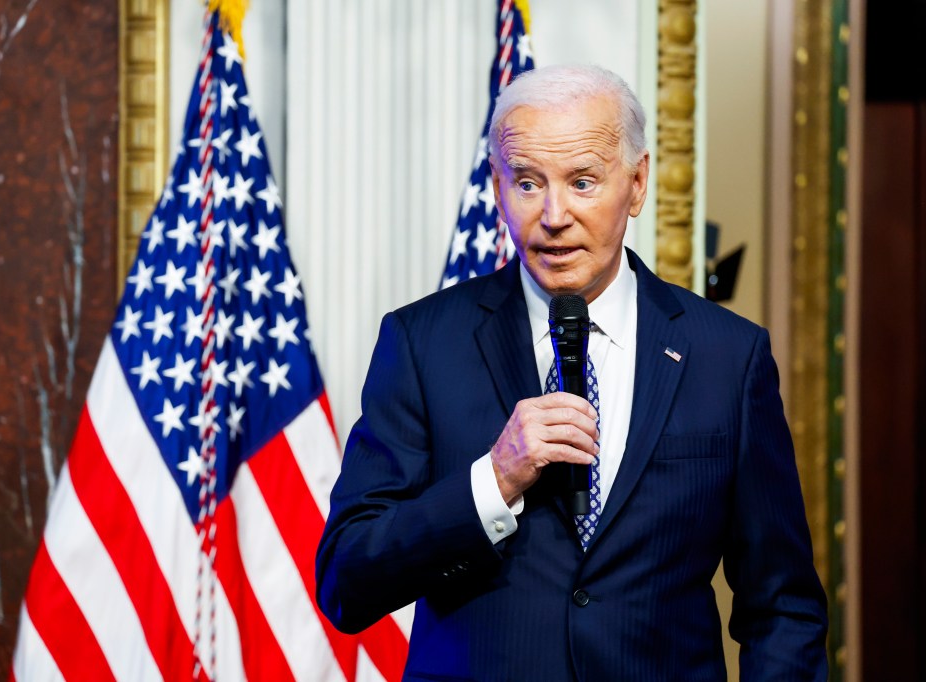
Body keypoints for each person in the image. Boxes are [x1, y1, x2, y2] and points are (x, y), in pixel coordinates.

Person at [316, 64, 827, 681]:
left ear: (636, 185)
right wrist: (493, 481)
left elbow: (782, 608)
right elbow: (347, 581)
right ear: (498, 188)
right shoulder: (424, 343)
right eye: (528, 184)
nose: (554, 214)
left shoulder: (727, 357)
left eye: (583, 182)